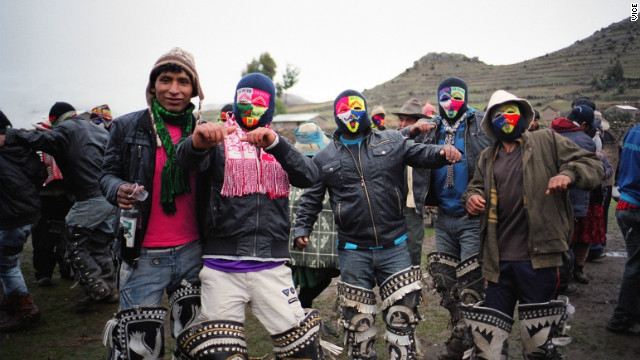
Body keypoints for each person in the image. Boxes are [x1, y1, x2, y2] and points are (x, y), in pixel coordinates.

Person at [174, 73, 333, 360]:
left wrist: (276, 145)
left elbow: (309, 176)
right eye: (243, 102)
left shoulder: (278, 145)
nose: (249, 109)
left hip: (271, 266)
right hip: (221, 268)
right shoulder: (219, 141)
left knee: (303, 347)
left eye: (258, 103)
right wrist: (197, 143)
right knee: (220, 353)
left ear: (270, 107)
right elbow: (186, 160)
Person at [294, 89, 462, 360]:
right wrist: (303, 228)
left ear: (366, 110)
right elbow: (311, 197)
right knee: (358, 324)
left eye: (356, 108)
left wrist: (442, 151)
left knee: (402, 318)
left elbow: (420, 152)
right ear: (337, 115)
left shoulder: (392, 140)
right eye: (344, 111)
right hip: (352, 250)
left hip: (394, 246)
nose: (351, 115)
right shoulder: (325, 157)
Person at [460, 90, 604, 359]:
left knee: (539, 342)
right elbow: (473, 188)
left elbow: (593, 165)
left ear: (523, 114)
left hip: (539, 260)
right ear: (491, 122)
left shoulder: (547, 141)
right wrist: (472, 198)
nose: (505, 119)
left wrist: (568, 174)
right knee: (490, 341)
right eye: (498, 115)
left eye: (511, 112)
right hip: (497, 261)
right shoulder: (486, 158)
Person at [100, 48, 206, 359]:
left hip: (194, 253)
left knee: (194, 341)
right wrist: (117, 188)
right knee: (139, 346)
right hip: (142, 253)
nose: (174, 89)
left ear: (195, 90)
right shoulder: (126, 126)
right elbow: (106, 174)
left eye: (184, 82)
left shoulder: (202, 132)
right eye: (166, 80)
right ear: (152, 85)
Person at [402, 77, 492, 360]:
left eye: (456, 97)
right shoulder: (431, 127)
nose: (450, 104)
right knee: (446, 281)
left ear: (465, 97)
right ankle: (461, 336)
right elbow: (392, 144)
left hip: (472, 217)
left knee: (471, 284)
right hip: (442, 217)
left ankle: (475, 347)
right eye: (445, 98)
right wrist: (411, 128)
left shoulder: (481, 123)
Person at [0, 102, 118, 312]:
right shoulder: (95, 127)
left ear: (54, 119)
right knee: (99, 245)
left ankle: (96, 287)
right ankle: (110, 289)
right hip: (109, 196)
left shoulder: (67, 129)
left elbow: (39, 139)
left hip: (89, 197)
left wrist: (9, 136)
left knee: (73, 244)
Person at [0, 110, 47, 332]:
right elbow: (40, 174)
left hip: (12, 218)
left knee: (6, 263)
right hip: (30, 212)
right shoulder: (21, 149)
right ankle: (13, 299)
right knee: (9, 260)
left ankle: (25, 309)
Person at [288, 121, 340, 309]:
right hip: (300, 228)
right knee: (299, 274)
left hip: (316, 228)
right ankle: (301, 306)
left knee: (323, 274)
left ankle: (304, 303)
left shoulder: (326, 161)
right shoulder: (291, 163)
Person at [30, 119, 73, 287]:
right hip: (54, 197)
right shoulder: (60, 147)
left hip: (50, 197)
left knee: (53, 235)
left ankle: (48, 271)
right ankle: (53, 270)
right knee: (51, 236)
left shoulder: (37, 150)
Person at [606, 122, 640, 335]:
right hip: (636, 205)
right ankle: (621, 317)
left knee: (635, 264)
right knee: (636, 266)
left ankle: (627, 315)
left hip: (625, 203)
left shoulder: (634, 131)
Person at [392, 98, 430, 267]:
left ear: (418, 122)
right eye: (401, 119)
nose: (403, 124)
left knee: (414, 248)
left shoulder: (425, 143)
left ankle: (414, 286)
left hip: (413, 205)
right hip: (392, 206)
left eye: (408, 120)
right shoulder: (391, 139)